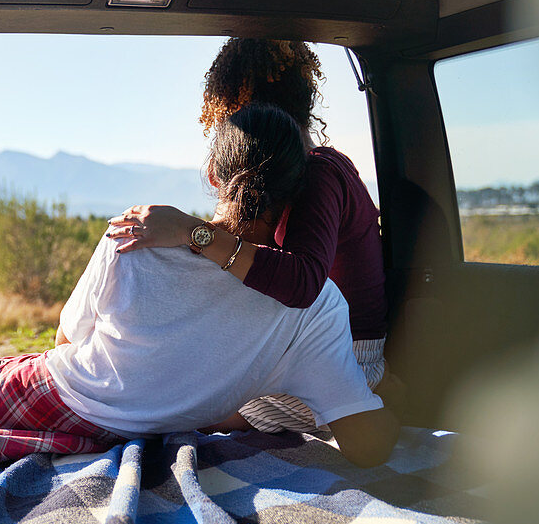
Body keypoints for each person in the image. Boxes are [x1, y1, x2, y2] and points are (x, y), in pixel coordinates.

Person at [0, 104, 399, 476]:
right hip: (120, 439)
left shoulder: (136, 237)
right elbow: (368, 445)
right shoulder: (314, 306)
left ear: (213, 174)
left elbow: (67, 340)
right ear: (301, 195)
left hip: (50, 400)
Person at [107, 38, 398, 433]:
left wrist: (191, 231)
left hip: (341, 360)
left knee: (177, 418)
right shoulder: (296, 177)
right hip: (298, 348)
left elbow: (302, 282)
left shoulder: (320, 174)